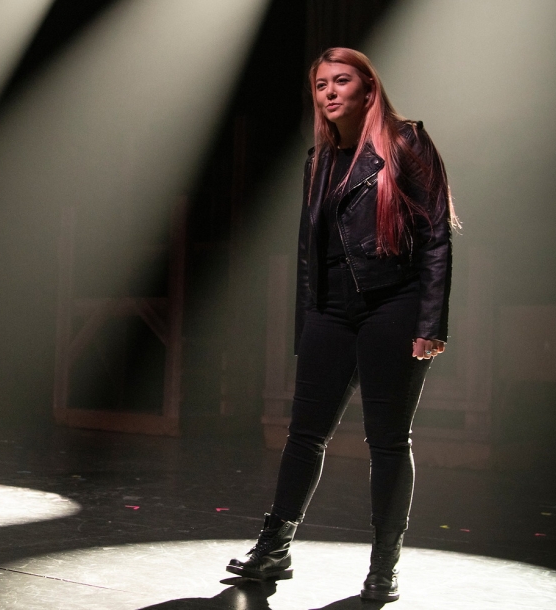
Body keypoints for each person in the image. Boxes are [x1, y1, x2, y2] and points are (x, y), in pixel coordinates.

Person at [226, 48, 457, 603]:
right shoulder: (320, 160)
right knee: (305, 435)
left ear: (368, 88)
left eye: (341, 81)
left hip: (393, 305)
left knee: (387, 441)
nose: (329, 92)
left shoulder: (406, 142)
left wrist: (431, 322)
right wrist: (307, 322)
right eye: (321, 84)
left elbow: (435, 238)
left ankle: (385, 565)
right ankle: (274, 548)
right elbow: (311, 253)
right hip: (331, 313)